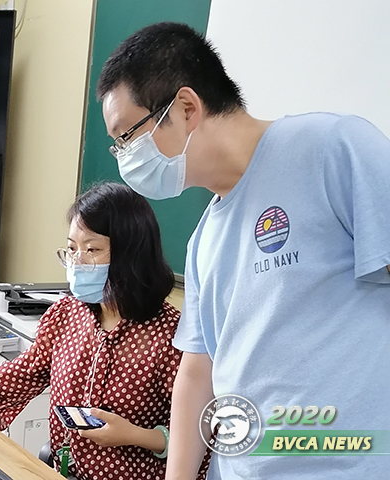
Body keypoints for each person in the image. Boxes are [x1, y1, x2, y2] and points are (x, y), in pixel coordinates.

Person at [96, 21, 390, 480]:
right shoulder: (204, 239)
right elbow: (198, 372)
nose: (124, 155)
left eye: (127, 136)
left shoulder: (332, 148)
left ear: (186, 108)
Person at [0, 182, 209, 480]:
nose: (77, 262)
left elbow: (206, 433)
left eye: (92, 249)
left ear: (132, 254)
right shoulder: (66, 314)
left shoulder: (173, 336)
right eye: (72, 249)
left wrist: (136, 436)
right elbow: (19, 376)